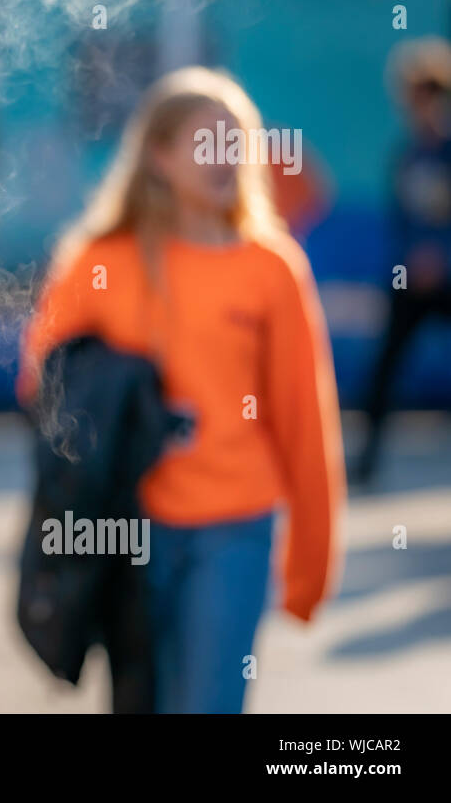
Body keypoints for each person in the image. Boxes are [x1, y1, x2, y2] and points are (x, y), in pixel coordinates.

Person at [18, 66, 346, 713]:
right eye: (205, 143)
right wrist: (122, 406)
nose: (224, 158)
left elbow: (306, 419)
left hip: (234, 526)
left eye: (236, 141)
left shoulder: (272, 269)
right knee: (141, 703)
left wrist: (312, 562)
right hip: (128, 527)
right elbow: (40, 383)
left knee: (208, 703)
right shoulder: (100, 261)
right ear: (159, 156)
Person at [355, 37, 451, 483]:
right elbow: (400, 222)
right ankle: (367, 461)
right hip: (411, 280)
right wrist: (407, 264)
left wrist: (442, 257)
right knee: (385, 364)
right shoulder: (407, 154)